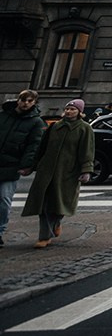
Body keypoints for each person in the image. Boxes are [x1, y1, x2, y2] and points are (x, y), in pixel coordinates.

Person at [21, 98, 94, 249]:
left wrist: (86, 170)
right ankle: (44, 236)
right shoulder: (55, 126)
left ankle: (56, 223)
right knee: (44, 204)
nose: (69, 111)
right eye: (67, 108)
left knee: (60, 203)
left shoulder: (84, 128)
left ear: (80, 112)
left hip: (67, 172)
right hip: (46, 171)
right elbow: (42, 148)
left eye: (73, 109)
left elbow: (87, 151)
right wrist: (31, 166)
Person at [1, 90, 47, 248]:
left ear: (34, 103)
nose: (25, 103)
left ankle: (0, 231)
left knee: (3, 200)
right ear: (18, 100)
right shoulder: (4, 116)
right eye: (23, 100)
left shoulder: (36, 122)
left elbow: (34, 146)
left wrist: (26, 165)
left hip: (11, 166)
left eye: (29, 101)